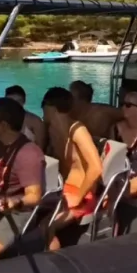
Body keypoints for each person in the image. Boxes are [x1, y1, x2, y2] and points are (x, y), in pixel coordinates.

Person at [0, 97, 46, 265]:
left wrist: (14, 201)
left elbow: (35, 196)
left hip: (17, 213)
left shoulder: (28, 154)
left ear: (4, 125)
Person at [41, 87, 103, 249]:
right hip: (62, 191)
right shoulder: (52, 131)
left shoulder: (78, 130)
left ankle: (54, 267)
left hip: (81, 194)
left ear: (51, 107)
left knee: (46, 227)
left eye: (43, 105)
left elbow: (96, 167)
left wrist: (78, 197)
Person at [4, 85, 47, 151]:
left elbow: (41, 149)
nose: (15, 105)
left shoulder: (35, 121)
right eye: (11, 102)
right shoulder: (0, 120)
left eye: (18, 101)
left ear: (24, 101)